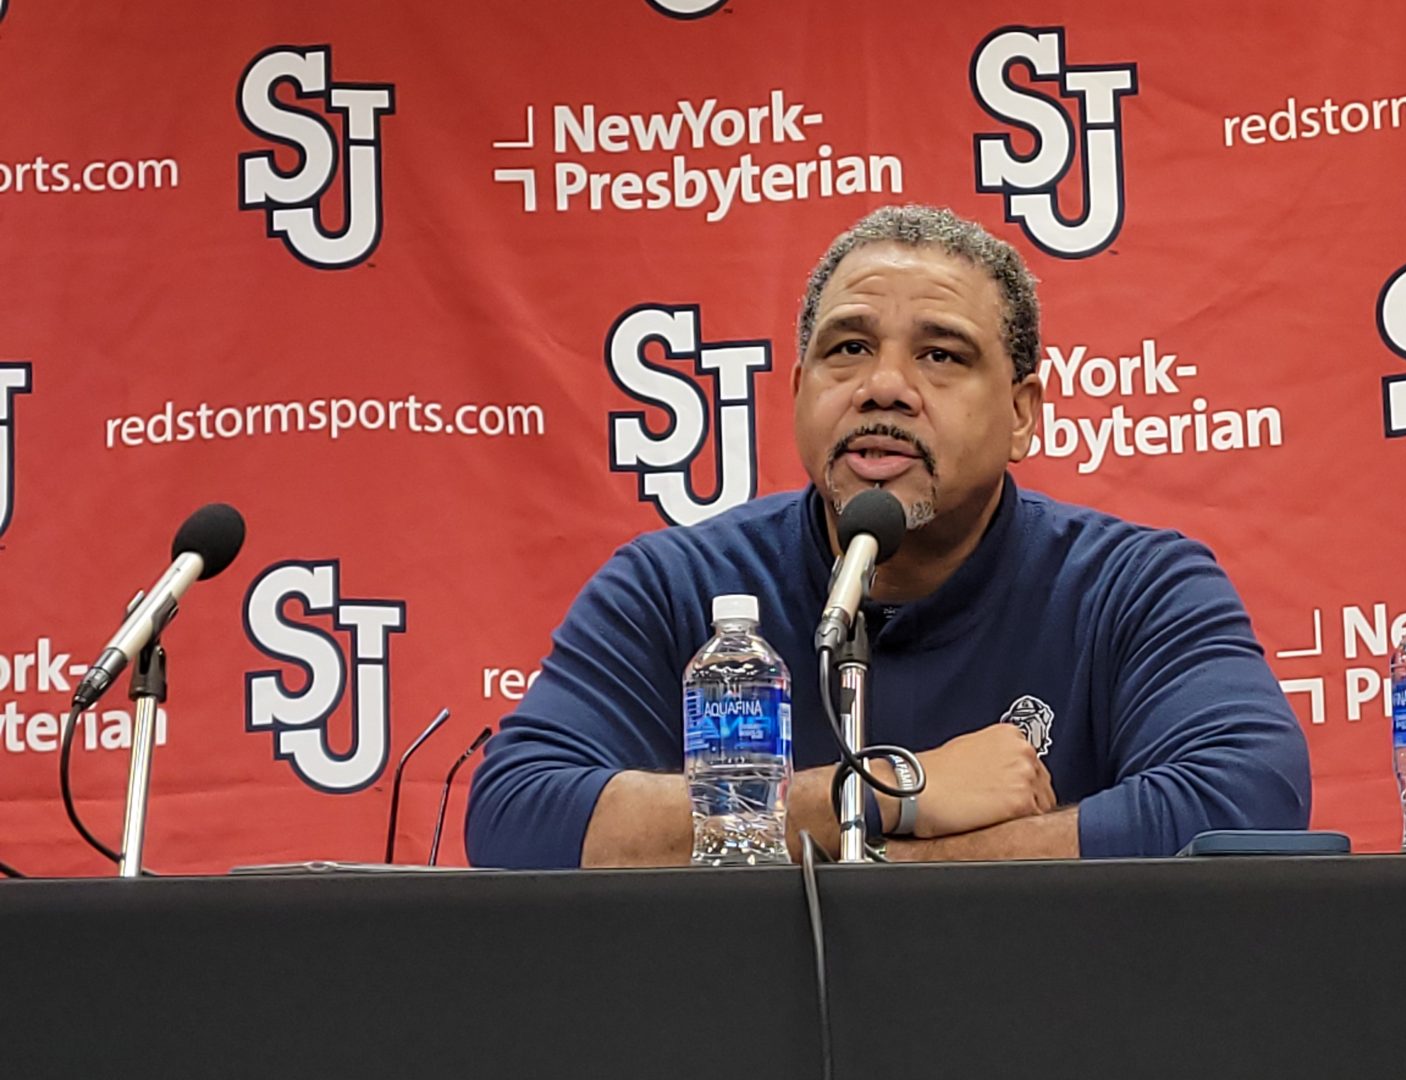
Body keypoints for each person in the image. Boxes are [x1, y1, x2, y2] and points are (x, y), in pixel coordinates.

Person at [466, 205, 1309, 867]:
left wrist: (896, 864)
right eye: (849, 348)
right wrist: (882, 794)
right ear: (798, 391)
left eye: (941, 356)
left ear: (1022, 414)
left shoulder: (1133, 585)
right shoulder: (676, 584)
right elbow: (517, 815)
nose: (884, 387)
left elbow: (1246, 799)